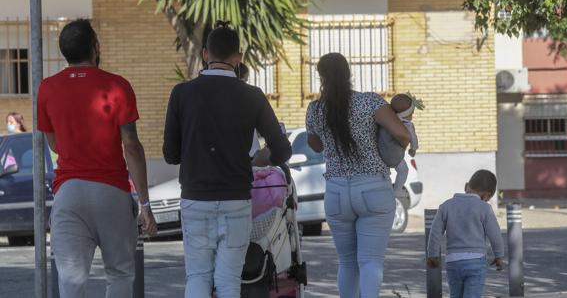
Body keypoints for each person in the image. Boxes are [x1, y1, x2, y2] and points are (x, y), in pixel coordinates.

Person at [163, 22, 291, 298]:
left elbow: (170, 154)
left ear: (206, 54)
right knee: (229, 280)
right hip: (236, 199)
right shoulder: (252, 96)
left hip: (196, 198)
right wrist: (261, 156)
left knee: (197, 276)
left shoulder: (182, 94)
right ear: (238, 58)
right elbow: (282, 151)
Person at [37, 19, 157, 298]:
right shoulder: (118, 86)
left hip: (68, 193)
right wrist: (145, 204)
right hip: (111, 192)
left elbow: (53, 142)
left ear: (64, 51)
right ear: (96, 47)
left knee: (71, 282)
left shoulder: (47, 89)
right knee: (120, 273)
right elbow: (132, 145)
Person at [305, 52, 410, 298]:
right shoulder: (371, 103)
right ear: (348, 74)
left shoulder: (316, 110)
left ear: (321, 76)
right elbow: (402, 135)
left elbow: (316, 146)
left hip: (337, 192)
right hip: (373, 188)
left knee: (347, 262)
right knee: (371, 261)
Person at [426, 169, 504, 298]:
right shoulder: (484, 208)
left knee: (455, 295)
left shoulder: (446, 206)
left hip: (453, 261)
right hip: (476, 261)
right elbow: (495, 234)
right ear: (486, 196)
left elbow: (435, 232)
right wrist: (499, 256)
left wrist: (432, 255)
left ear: (466, 186)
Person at [389, 93, 424, 197]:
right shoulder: (408, 125)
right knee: (404, 171)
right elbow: (413, 139)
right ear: (408, 114)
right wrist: (413, 149)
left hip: (382, 152)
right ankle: (397, 190)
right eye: (412, 114)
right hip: (396, 155)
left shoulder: (388, 122)